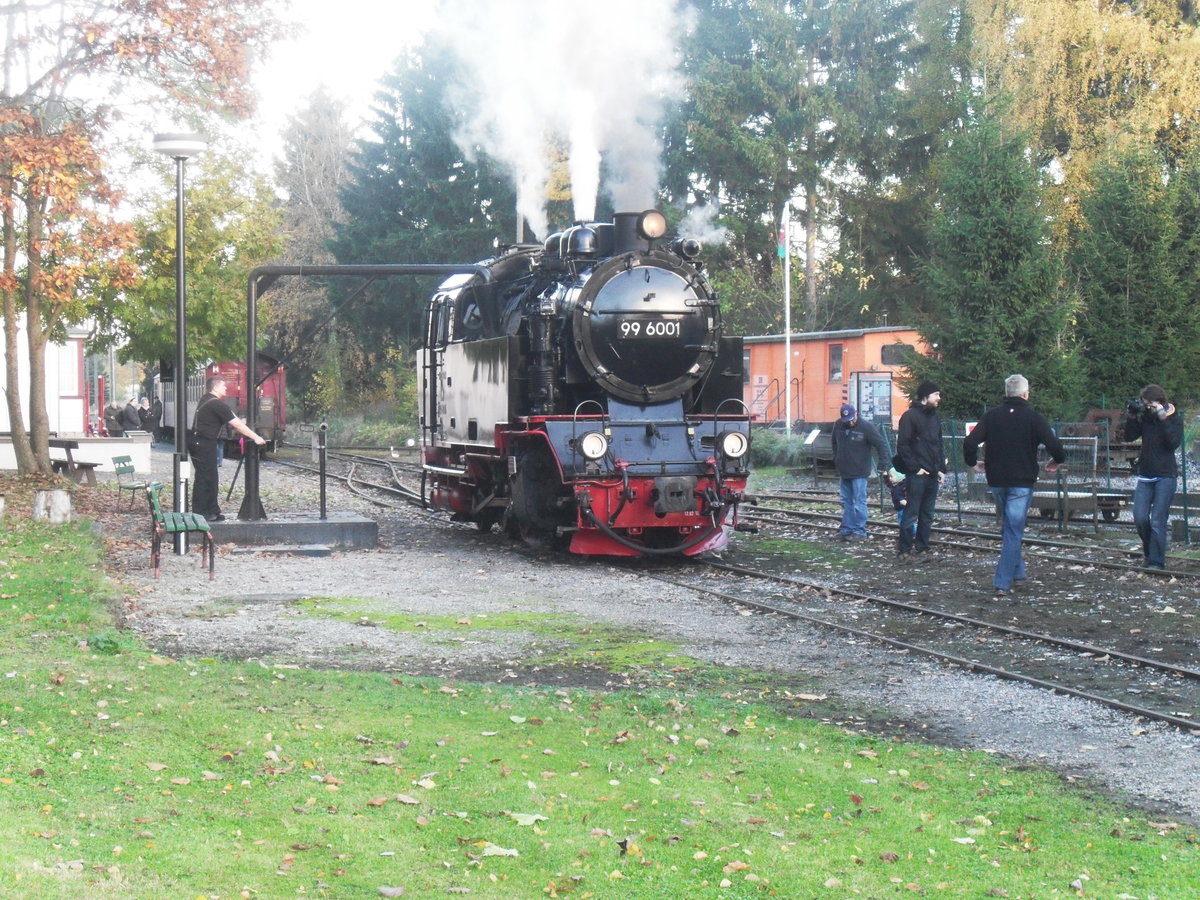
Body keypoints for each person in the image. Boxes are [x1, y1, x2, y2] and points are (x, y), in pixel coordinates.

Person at [963, 374, 1066, 596]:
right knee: (1013, 530)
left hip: (997, 481)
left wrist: (973, 464)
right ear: (1026, 394)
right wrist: (1056, 461)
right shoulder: (1034, 418)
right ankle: (1002, 582)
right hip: (1022, 482)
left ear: (1007, 393)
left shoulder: (991, 417)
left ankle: (1019, 575)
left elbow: (970, 441)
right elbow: (1055, 445)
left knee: (1008, 528)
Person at [191, 374, 267, 521]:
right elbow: (236, 424)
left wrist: (246, 425)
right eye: (224, 386)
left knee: (208, 477)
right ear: (216, 387)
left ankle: (211, 510)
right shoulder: (216, 404)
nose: (226, 388)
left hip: (199, 442)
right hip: (203, 443)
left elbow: (234, 419)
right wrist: (256, 437)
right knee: (206, 477)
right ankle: (203, 512)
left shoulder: (207, 400)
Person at [1124, 384, 1183, 570]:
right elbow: (1129, 436)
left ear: (1159, 402)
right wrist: (1132, 416)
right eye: (1144, 404)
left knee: (1158, 519)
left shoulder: (1174, 419)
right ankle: (1150, 551)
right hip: (1146, 475)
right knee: (1140, 518)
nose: (1146, 407)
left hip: (1166, 476)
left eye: (1149, 404)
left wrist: (1163, 418)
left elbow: (1173, 443)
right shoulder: (1146, 419)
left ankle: (1156, 561)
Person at [895, 381, 946, 559]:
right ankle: (904, 549)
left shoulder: (934, 417)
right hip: (918, 475)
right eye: (936, 395)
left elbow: (938, 444)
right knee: (912, 512)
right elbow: (903, 445)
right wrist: (915, 468)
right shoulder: (909, 417)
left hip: (932, 473)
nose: (939, 398)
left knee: (927, 513)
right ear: (925, 397)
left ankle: (922, 546)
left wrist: (941, 469)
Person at [830, 403, 889, 540]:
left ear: (856, 413)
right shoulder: (838, 425)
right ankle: (846, 529)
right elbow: (834, 443)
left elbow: (881, 444)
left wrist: (882, 464)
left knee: (859, 501)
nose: (850, 422)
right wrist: (837, 459)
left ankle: (859, 531)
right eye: (847, 420)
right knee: (846, 501)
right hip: (844, 471)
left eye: (851, 419)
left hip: (860, 472)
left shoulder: (866, 427)